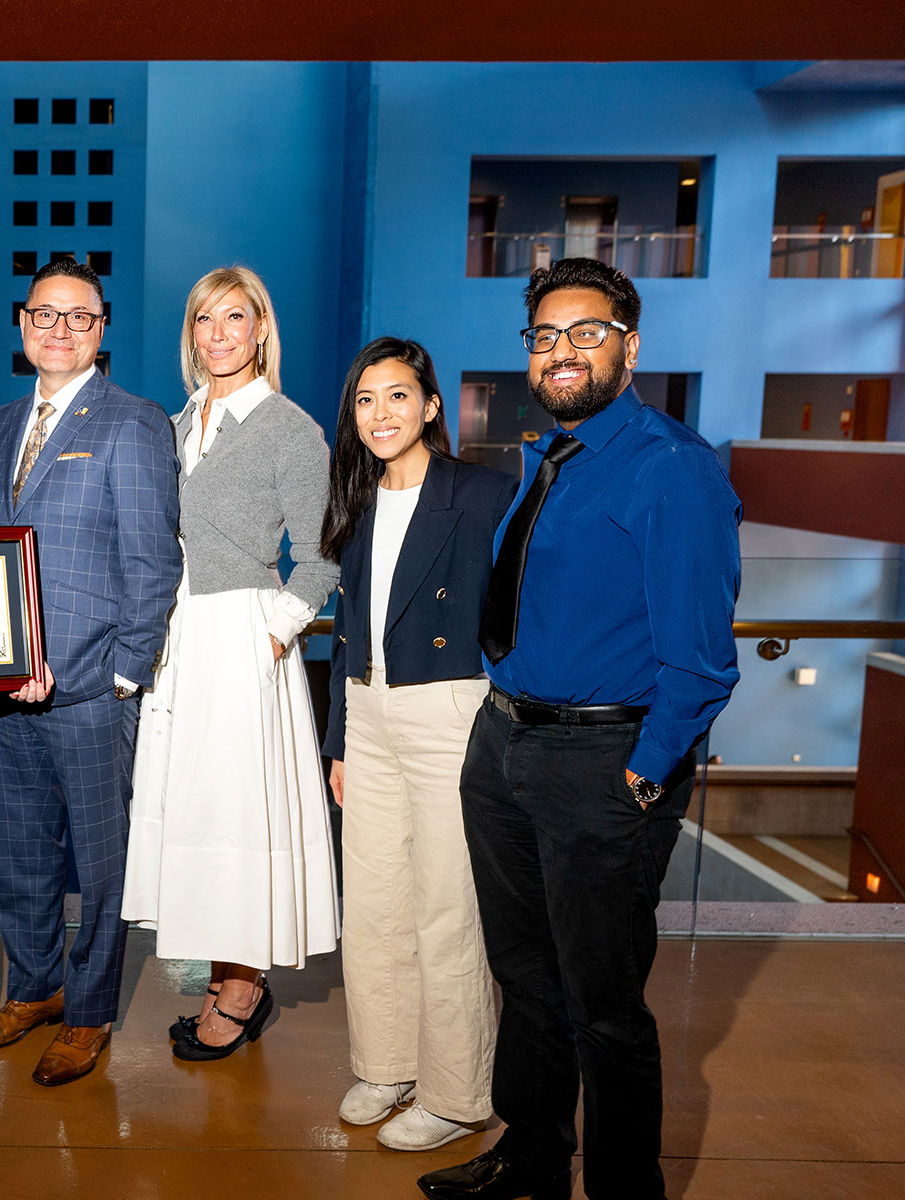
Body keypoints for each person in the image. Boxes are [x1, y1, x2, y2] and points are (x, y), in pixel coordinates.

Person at [419, 258, 740, 1200]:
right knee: (524, 978)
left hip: (604, 763)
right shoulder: (550, 459)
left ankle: (622, 1187)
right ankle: (532, 1156)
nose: (564, 352)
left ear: (630, 346)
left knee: (605, 1008)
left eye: (587, 332)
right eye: (546, 336)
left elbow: (702, 659)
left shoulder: (671, 470)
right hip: (507, 746)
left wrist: (644, 775)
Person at [0, 258, 183, 1086]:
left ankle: (88, 1013)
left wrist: (123, 675)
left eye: (78, 316)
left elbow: (153, 562)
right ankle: (33, 990)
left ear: (103, 328)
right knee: (19, 858)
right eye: (44, 315)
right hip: (7, 691)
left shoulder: (133, 420)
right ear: (22, 326)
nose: (59, 329)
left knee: (99, 864)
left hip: (91, 691)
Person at [121, 265, 340, 1061]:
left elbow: (318, 560)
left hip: (242, 642)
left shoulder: (291, 430)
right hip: (178, 642)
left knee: (241, 819)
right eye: (204, 320)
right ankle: (224, 972)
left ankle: (243, 987)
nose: (218, 334)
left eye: (234, 318)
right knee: (202, 818)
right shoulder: (176, 425)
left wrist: (271, 636)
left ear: (260, 330)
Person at [317, 338, 515, 1149]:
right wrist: (336, 738)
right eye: (365, 401)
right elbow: (347, 628)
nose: (380, 414)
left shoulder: (483, 493)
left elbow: (514, 612)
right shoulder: (358, 500)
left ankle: (459, 1093)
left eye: (397, 396)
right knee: (372, 907)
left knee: (447, 910)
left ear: (432, 405)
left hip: (447, 711)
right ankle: (389, 1063)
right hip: (369, 713)